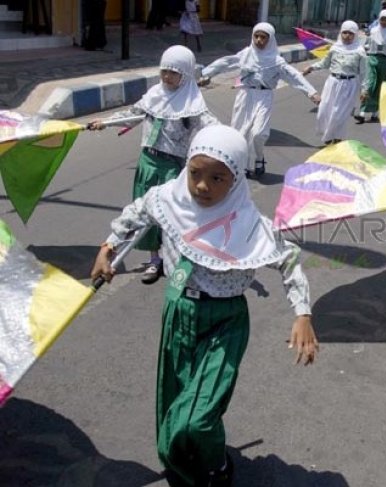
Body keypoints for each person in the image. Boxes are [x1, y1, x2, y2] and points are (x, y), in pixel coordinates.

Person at [90, 125, 319, 487]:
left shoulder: (250, 226)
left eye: (217, 178)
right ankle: (184, 460)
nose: (202, 186)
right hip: (178, 310)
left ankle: (216, 465)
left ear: (236, 178)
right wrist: (107, 249)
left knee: (197, 416)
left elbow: (289, 261)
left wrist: (302, 313)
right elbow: (134, 215)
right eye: (195, 173)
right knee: (175, 398)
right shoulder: (167, 198)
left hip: (225, 322)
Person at [88, 46, 218, 285]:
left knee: (168, 215)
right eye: (164, 71)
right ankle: (154, 259)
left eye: (173, 72)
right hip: (147, 162)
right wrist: (105, 122)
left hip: (172, 167)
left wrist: (228, 142)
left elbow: (213, 128)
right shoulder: (154, 96)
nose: (167, 77)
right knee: (144, 213)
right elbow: (133, 114)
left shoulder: (193, 105)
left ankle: (173, 258)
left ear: (186, 75)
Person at [199, 23, 320, 179]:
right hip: (245, 95)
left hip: (264, 97)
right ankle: (243, 165)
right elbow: (226, 62)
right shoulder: (246, 54)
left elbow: (294, 76)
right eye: (256, 36)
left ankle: (259, 157)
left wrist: (312, 92)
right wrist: (206, 74)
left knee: (259, 133)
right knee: (240, 133)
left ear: (270, 39)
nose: (259, 40)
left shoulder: (277, 61)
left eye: (263, 37)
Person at [302, 20, 368, 145]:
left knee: (339, 115)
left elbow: (364, 73)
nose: (347, 36)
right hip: (332, 83)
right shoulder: (335, 48)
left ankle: (335, 139)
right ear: (340, 33)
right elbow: (324, 63)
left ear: (355, 35)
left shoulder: (360, 51)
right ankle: (329, 135)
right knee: (323, 111)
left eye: (350, 33)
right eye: (344, 33)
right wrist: (311, 68)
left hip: (349, 86)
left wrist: (364, 90)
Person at [356, 10, 386, 124]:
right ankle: (362, 112)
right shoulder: (373, 31)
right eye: (382, 19)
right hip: (372, 59)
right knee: (370, 84)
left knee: (380, 86)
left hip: (385, 62)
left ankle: (375, 112)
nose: (384, 22)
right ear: (379, 19)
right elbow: (366, 44)